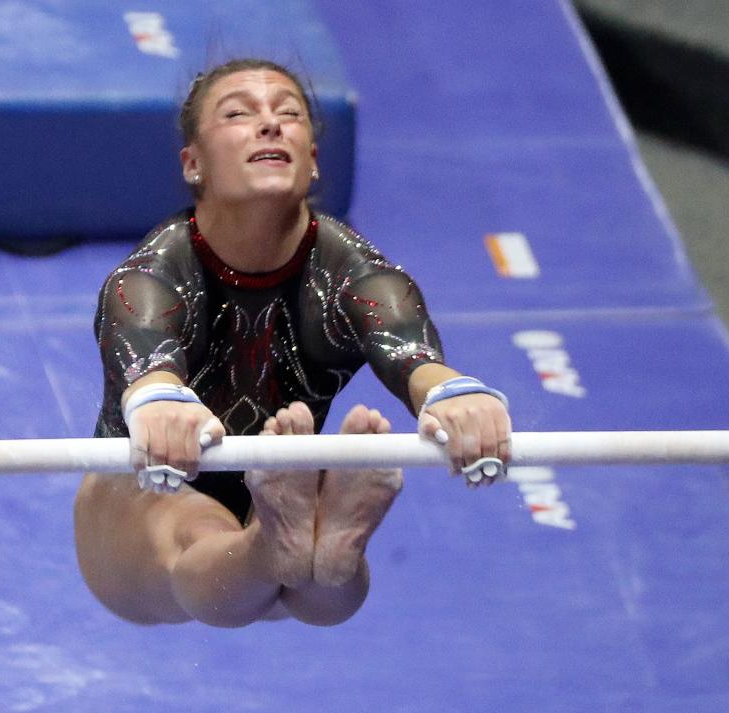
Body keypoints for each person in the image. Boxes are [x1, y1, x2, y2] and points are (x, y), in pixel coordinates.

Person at [74, 58, 511, 628]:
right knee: (207, 538)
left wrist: (453, 396)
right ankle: (290, 540)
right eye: (239, 113)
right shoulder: (152, 276)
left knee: (295, 578)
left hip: (279, 490)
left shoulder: (359, 277)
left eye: (289, 114)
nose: (270, 124)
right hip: (144, 489)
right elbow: (147, 352)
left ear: (312, 159)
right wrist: (157, 399)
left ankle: (299, 544)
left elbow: (415, 357)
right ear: (193, 162)